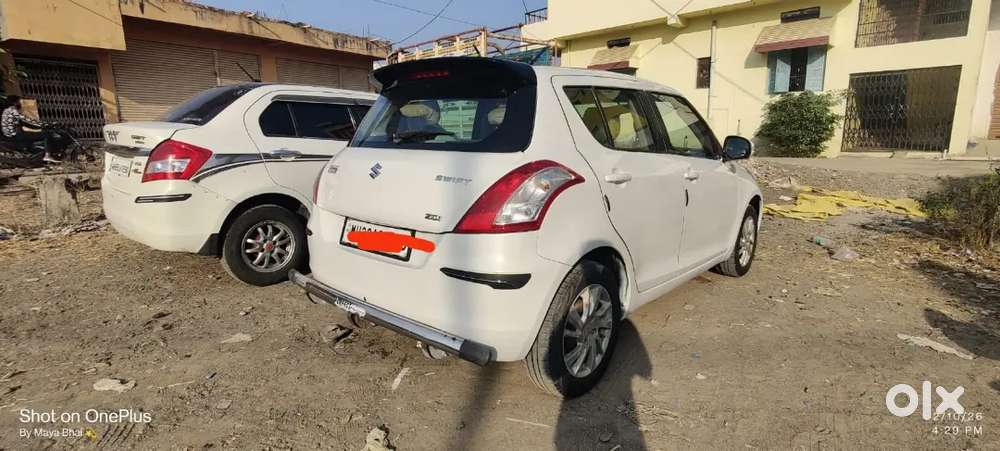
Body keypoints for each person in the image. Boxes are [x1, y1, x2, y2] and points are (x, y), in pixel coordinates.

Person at [2, 95, 59, 163]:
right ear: (15, 102)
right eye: (19, 101)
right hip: (16, 135)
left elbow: (26, 124)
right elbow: (29, 121)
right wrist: (49, 124)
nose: (20, 103)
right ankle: (47, 155)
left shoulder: (6, 111)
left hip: (9, 135)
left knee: (35, 134)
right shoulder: (13, 111)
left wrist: (40, 127)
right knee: (47, 134)